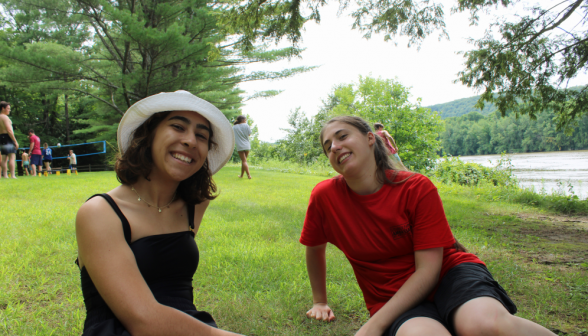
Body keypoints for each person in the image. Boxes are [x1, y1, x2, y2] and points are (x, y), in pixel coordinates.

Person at [301, 116, 556, 336]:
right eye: (327, 146)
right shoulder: (325, 197)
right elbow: (314, 247)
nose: (335, 146)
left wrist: (373, 327)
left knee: (483, 326)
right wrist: (319, 301)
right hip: (391, 296)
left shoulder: (416, 187)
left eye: (342, 136)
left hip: (449, 275)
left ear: (370, 138)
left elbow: (428, 272)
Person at [75, 90, 239, 335]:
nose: (191, 141)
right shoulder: (100, 212)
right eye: (177, 126)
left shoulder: (196, 204)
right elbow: (143, 320)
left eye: (201, 136)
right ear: (149, 134)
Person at [0, 101, 18, 179]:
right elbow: (9, 130)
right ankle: (13, 175)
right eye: (8, 108)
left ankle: (5, 175)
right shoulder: (5, 117)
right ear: (3, 108)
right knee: (12, 156)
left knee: (4, 158)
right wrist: (15, 141)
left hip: (1, 137)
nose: (9, 110)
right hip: (8, 137)